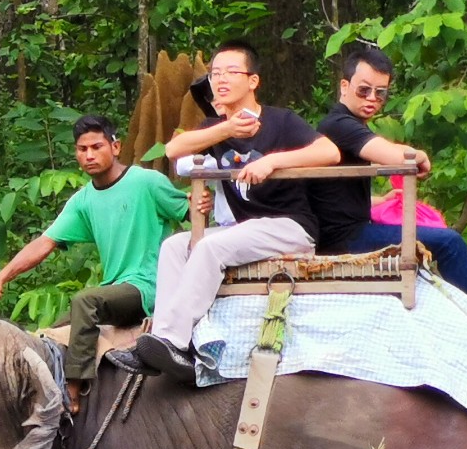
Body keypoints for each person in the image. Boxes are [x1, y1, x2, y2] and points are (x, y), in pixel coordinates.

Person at [110, 40, 337, 383]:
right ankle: (164, 337)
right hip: (245, 229)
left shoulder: (281, 121)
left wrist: (274, 161)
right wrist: (228, 128)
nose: (221, 79)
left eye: (232, 72)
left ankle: (172, 341)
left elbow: (330, 152)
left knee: (209, 247)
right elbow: (174, 149)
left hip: (289, 226)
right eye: (216, 73)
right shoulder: (215, 128)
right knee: (175, 246)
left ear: (253, 81)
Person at [0, 115, 189, 414]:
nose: (89, 155)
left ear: (116, 147)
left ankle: (72, 390)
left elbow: (193, 214)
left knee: (85, 301)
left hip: (148, 287)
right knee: (56, 329)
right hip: (116, 290)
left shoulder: (147, 182)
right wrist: (1, 278)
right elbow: (44, 243)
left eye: (96, 146)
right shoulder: (83, 200)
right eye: (81, 149)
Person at [313, 42, 467, 314]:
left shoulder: (346, 124)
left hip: (350, 227)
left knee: (440, 238)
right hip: (345, 238)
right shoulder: (338, 124)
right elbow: (396, 156)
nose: (371, 99)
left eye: (380, 93)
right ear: (344, 86)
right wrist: (419, 155)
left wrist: (379, 200)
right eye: (363, 90)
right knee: (449, 242)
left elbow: (336, 194)